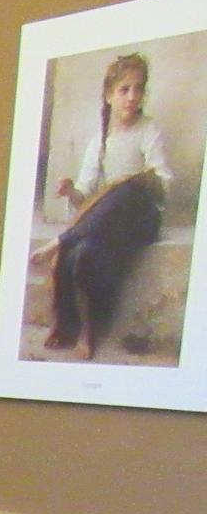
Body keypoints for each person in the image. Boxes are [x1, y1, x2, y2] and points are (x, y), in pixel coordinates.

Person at [44, 53, 174, 356]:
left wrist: (139, 181)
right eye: (124, 89)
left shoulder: (148, 129)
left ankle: (63, 238)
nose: (132, 97)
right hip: (106, 222)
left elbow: (164, 180)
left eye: (138, 89)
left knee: (124, 190)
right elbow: (87, 195)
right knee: (81, 252)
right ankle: (75, 327)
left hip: (139, 217)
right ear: (109, 95)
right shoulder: (99, 142)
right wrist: (71, 192)